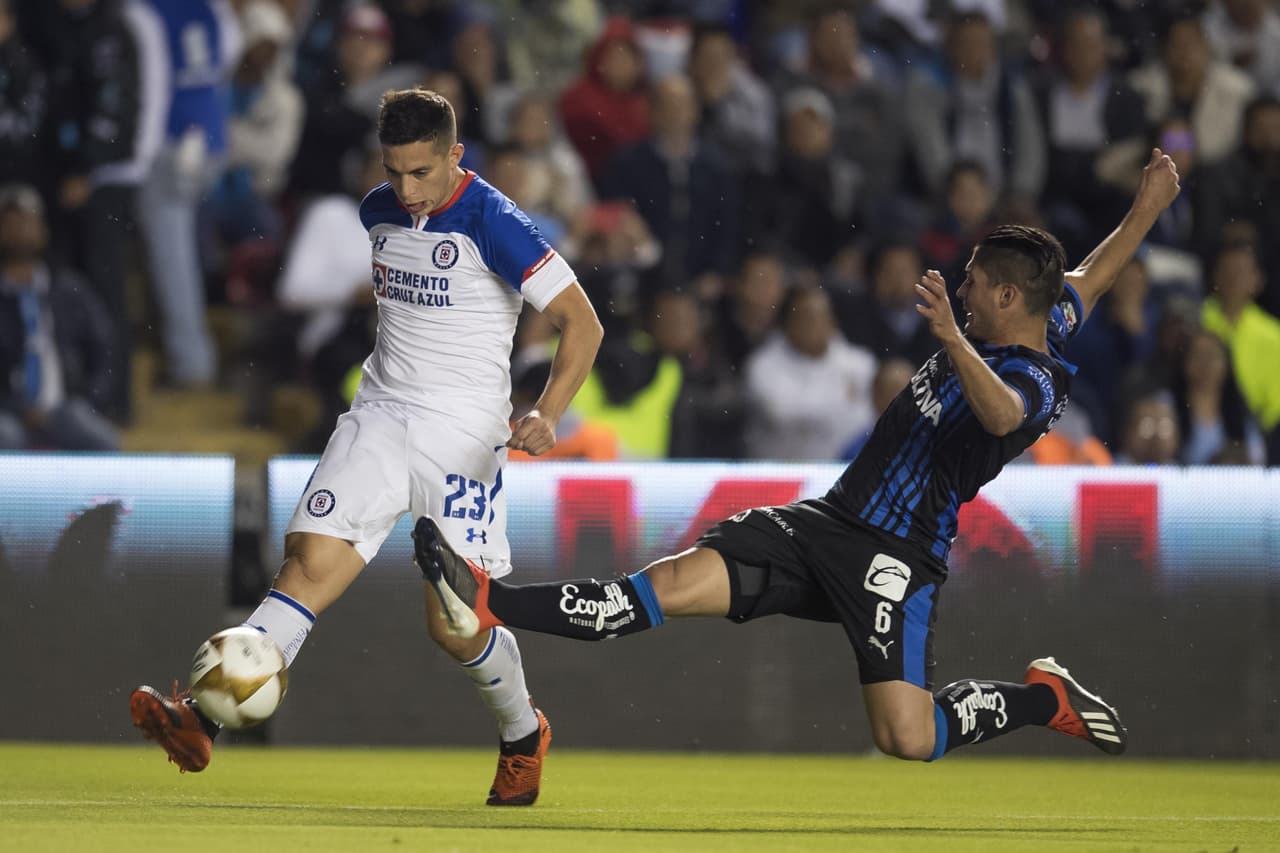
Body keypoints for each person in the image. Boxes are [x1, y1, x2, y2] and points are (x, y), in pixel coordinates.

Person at [415, 149, 1182, 769]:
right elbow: (1092, 272)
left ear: (1012, 300)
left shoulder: (1035, 380)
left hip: (898, 555)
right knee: (668, 585)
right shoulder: (1048, 308)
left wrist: (952, 338)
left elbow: (1002, 413)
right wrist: (1146, 208)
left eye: (978, 282)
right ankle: (487, 597)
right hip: (827, 521)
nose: (965, 288)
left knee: (906, 738)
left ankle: (1041, 700)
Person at [129, 89, 604, 806]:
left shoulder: (496, 221)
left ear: (455, 155)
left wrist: (546, 410)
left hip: (464, 434)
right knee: (308, 560)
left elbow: (583, 323)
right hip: (380, 416)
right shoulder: (376, 208)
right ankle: (204, 718)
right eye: (393, 172)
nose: (407, 191)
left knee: (457, 623)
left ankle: (521, 732)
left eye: (422, 173)